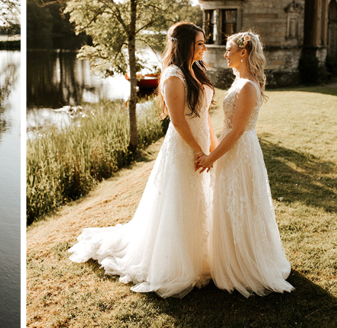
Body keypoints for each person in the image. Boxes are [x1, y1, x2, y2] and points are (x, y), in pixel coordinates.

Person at [69, 22, 218, 298]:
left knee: (201, 197)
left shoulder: (197, 70)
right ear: (185, 44)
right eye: (199, 43)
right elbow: (177, 120)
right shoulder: (173, 76)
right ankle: (177, 259)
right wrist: (199, 150)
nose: (204, 48)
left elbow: (205, 115)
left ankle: (202, 252)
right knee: (181, 199)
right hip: (183, 147)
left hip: (201, 144)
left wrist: (213, 146)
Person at [196, 32, 293, 297]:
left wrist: (210, 159)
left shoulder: (248, 86)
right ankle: (231, 256)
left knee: (242, 203)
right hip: (233, 150)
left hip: (241, 151)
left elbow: (237, 131)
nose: (225, 54)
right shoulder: (240, 80)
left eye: (228, 50)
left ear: (244, 52)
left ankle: (244, 264)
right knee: (230, 202)